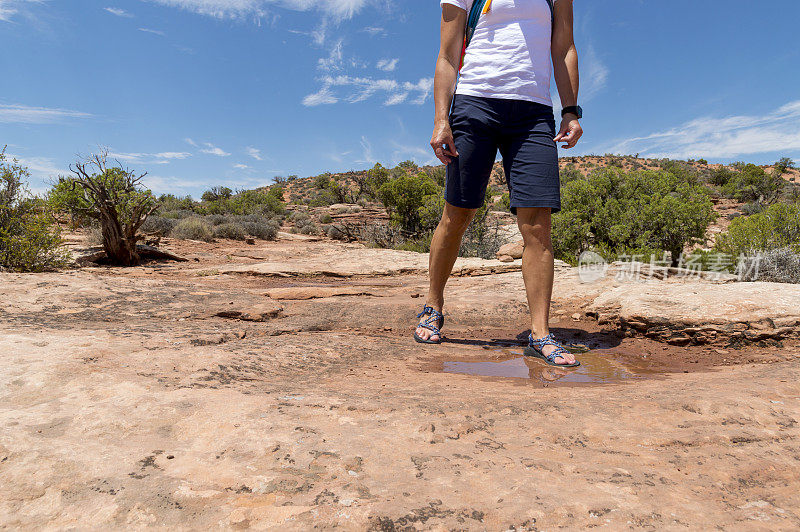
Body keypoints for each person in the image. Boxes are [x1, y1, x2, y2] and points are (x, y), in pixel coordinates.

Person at [414, 0, 583, 367]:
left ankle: (540, 332)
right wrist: (441, 119)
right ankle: (433, 304)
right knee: (457, 214)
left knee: (537, 223)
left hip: (534, 113)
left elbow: (564, 47)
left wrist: (570, 109)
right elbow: (446, 57)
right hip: (475, 105)